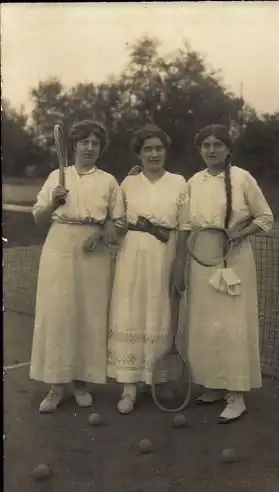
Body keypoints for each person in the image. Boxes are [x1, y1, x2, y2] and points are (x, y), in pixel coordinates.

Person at [30, 120, 125, 413]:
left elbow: (118, 222)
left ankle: (82, 383)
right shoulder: (55, 178)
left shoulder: (109, 182)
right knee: (57, 314)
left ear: (100, 148)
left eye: (95, 143)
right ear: (74, 146)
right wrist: (52, 203)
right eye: (85, 142)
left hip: (92, 251)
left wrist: (99, 235)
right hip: (59, 247)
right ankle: (55, 386)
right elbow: (38, 220)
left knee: (89, 315)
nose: (90, 147)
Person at [185, 124, 274, 423]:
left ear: (228, 149)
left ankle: (236, 396)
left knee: (232, 325)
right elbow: (185, 222)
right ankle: (213, 385)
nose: (211, 150)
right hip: (201, 261)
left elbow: (265, 218)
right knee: (206, 325)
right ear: (200, 150)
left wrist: (238, 233)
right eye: (206, 145)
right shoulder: (193, 182)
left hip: (234, 260)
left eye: (217, 145)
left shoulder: (242, 178)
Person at [107, 124, 189, 414]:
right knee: (131, 312)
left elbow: (184, 228)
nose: (154, 154)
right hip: (132, 257)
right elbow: (116, 223)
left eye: (159, 148)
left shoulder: (180, 182)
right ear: (139, 154)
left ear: (165, 151)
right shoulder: (127, 184)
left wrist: (179, 265)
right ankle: (129, 386)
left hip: (165, 257)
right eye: (147, 149)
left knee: (162, 314)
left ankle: (160, 380)